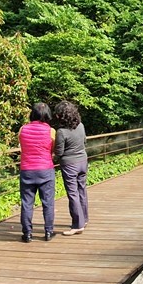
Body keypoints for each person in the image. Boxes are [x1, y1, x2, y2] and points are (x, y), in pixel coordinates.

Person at [18, 102, 56, 242]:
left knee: (27, 203)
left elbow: (22, 147)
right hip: (45, 169)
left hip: (27, 170)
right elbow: (52, 150)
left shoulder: (23, 129)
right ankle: (48, 231)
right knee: (48, 202)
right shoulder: (51, 131)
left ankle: (27, 233)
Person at [53, 100, 90, 235]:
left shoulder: (61, 132)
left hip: (70, 164)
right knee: (82, 190)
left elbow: (59, 152)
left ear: (61, 116)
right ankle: (84, 219)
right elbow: (85, 141)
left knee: (73, 193)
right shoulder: (81, 125)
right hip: (83, 161)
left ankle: (77, 225)